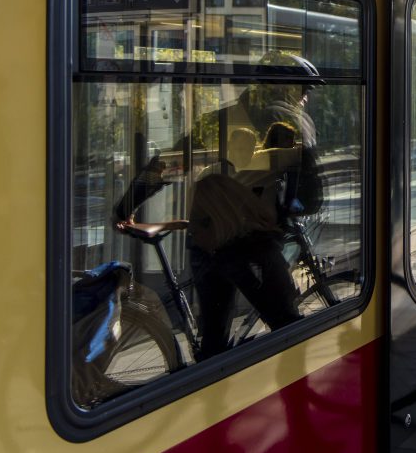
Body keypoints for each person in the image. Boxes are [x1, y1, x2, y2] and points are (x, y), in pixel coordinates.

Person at [115, 52, 325, 360]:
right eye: (303, 91)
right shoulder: (290, 122)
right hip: (251, 246)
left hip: (206, 241)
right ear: (284, 88)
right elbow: (310, 196)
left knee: (214, 343)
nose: (305, 99)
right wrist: (287, 210)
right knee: (289, 330)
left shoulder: (219, 120)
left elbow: (168, 164)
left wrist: (126, 206)